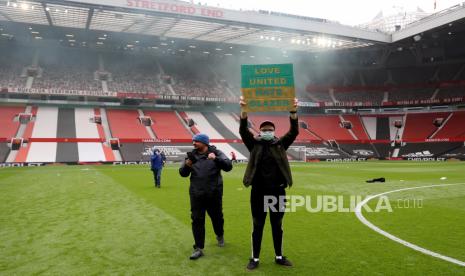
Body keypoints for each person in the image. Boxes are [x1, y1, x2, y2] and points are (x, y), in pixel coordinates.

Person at [239, 97, 299, 270]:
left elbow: (294, 132)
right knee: (257, 225)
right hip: (258, 192)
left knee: (277, 225)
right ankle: (255, 258)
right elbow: (243, 131)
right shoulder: (254, 144)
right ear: (260, 131)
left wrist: (293, 111)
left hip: (277, 192)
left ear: (274, 131)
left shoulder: (280, 144)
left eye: (270, 129)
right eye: (264, 129)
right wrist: (244, 112)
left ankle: (279, 256)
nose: (267, 131)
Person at [179, 133, 233, 260]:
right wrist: (187, 165)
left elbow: (228, 166)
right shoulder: (191, 156)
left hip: (214, 193)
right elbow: (182, 173)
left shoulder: (216, 153)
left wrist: (216, 159)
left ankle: (220, 235)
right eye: (193, 141)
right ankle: (198, 248)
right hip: (196, 194)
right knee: (197, 219)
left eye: (196, 141)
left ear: (204, 143)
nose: (194, 143)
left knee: (217, 217)